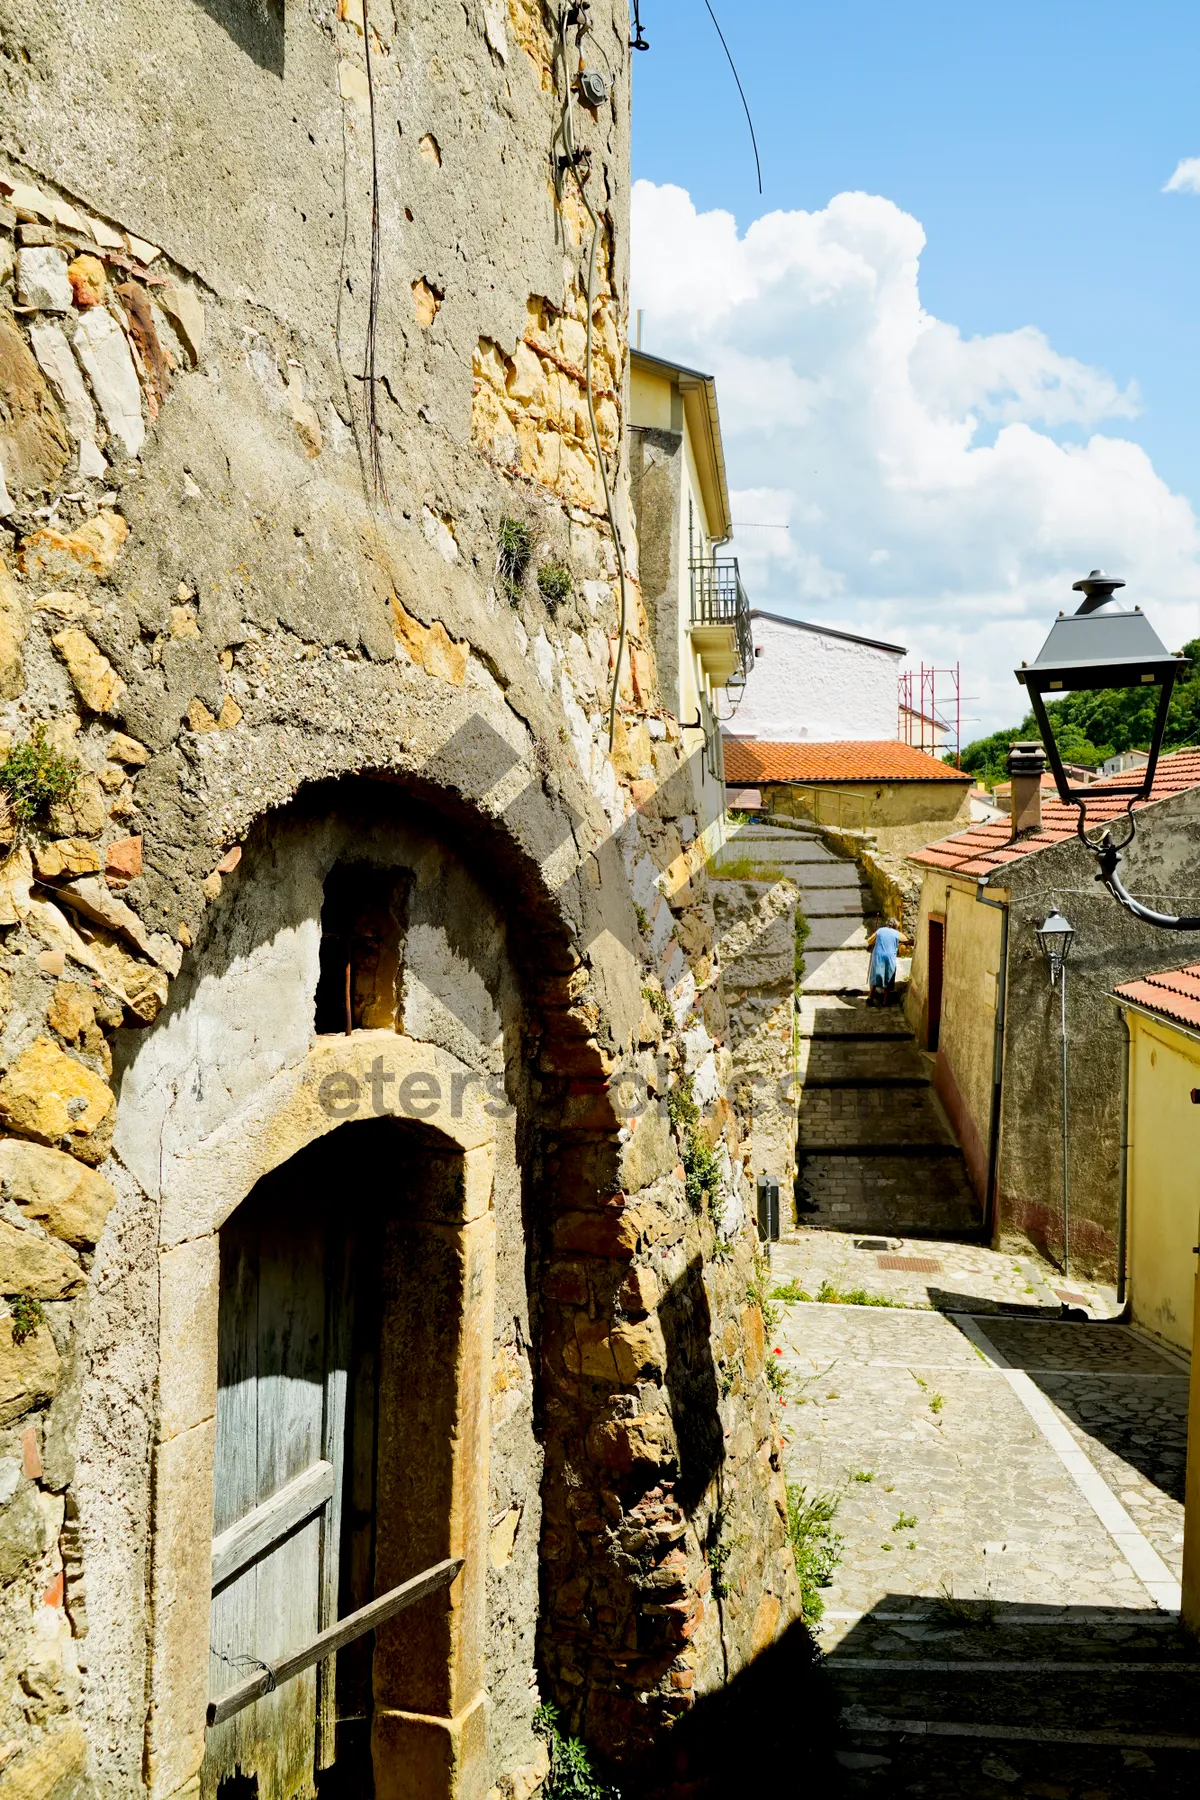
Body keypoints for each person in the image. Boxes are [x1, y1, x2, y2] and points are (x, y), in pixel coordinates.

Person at [866, 916, 908, 1007]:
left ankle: (870, 997)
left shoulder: (880, 930)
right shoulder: (897, 933)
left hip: (878, 956)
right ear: (895, 926)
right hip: (889, 957)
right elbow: (905, 939)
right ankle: (885, 1001)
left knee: (874, 975)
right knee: (888, 976)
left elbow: (869, 941)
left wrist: (874, 935)